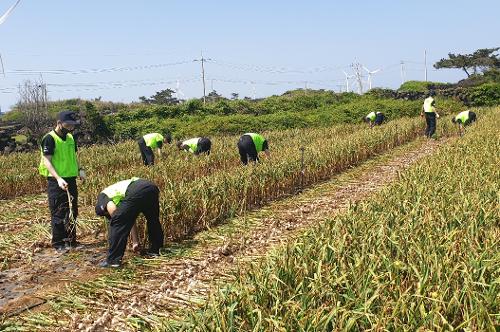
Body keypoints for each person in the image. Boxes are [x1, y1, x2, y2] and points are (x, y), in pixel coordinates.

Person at [38, 110, 86, 252]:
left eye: (73, 125)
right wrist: (58, 178)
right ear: (59, 123)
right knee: (59, 211)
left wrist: (80, 170)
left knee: (72, 211)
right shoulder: (49, 138)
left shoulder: (70, 138)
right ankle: (58, 244)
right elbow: (47, 161)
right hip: (56, 181)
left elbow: (74, 156)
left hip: (71, 179)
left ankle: (71, 241)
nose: (71, 127)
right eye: (68, 125)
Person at [95, 177, 164, 268]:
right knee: (153, 219)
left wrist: (116, 221)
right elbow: (129, 219)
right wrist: (135, 241)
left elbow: (117, 217)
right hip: (150, 187)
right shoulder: (115, 194)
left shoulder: (102, 197)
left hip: (135, 190)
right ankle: (155, 250)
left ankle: (113, 261)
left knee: (117, 223)